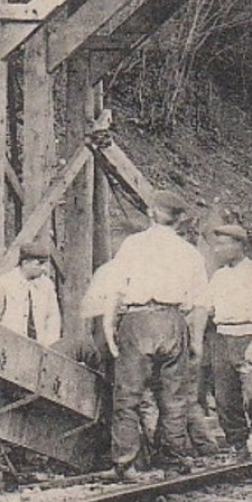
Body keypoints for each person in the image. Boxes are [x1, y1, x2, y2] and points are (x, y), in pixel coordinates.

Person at [104, 189, 210, 479]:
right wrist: (197, 341)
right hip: (173, 321)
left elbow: (115, 289)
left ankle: (126, 462)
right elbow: (201, 302)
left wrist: (109, 327)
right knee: (173, 396)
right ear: (179, 220)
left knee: (128, 395)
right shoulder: (190, 252)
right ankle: (174, 458)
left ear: (151, 212)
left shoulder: (132, 245)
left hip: (137, 321)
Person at [201, 224, 252, 460]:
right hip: (222, 337)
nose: (217, 250)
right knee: (225, 398)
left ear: (238, 245)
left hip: (249, 335)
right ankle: (238, 444)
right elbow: (208, 308)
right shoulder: (219, 276)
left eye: (223, 244)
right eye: (216, 245)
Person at [0, 241, 62, 345]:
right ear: (25, 263)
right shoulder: (5, 282)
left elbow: (53, 318)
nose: (44, 269)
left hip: (39, 349)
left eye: (45, 264)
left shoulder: (47, 285)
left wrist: (49, 345)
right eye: (39, 264)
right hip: (9, 346)